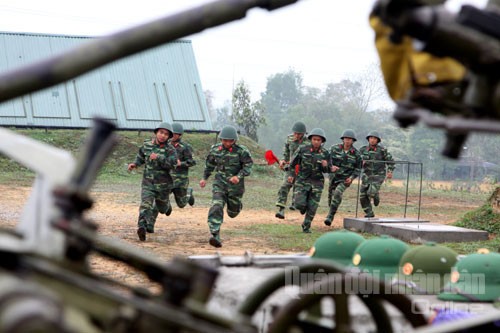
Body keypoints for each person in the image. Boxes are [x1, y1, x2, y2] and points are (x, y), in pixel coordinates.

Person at [199, 125, 253, 248]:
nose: (227, 143)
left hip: (235, 187)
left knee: (232, 213)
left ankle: (237, 205)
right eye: (225, 140)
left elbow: (248, 166)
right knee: (216, 206)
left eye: (230, 140)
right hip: (220, 184)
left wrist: (238, 176)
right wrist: (204, 178)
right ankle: (215, 234)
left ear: (235, 140)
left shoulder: (242, 151)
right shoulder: (215, 150)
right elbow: (209, 165)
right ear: (221, 139)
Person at [128, 122, 179, 242]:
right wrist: (134, 164)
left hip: (163, 185)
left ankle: (167, 206)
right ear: (156, 132)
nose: (163, 136)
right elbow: (141, 157)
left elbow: (173, 164)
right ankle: (142, 227)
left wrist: (159, 158)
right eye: (161, 132)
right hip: (148, 183)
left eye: (166, 134)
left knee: (162, 208)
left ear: (169, 136)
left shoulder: (170, 149)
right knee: (146, 205)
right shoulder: (146, 145)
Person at [288, 128, 330, 233]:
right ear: (311, 139)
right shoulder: (302, 149)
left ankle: (306, 226)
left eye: (319, 140)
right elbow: (293, 164)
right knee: (299, 204)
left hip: (317, 183)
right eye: (314, 139)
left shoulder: (325, 153)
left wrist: (326, 166)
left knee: (313, 207)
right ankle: (302, 207)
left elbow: (329, 169)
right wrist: (291, 175)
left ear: (322, 141)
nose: (316, 142)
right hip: (302, 180)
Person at [325, 129, 362, 226]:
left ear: (353, 141)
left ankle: (330, 216)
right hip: (333, 177)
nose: (347, 141)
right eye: (346, 138)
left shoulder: (356, 154)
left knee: (338, 193)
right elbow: (326, 159)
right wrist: (330, 167)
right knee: (331, 198)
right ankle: (331, 211)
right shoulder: (334, 149)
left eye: (350, 139)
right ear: (343, 139)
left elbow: (358, 169)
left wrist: (352, 178)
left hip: (345, 179)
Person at [275, 121, 307, 219]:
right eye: (295, 133)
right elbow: (286, 152)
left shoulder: (309, 142)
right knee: (285, 186)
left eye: (299, 134)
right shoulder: (289, 139)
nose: (296, 135)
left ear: (303, 134)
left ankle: (302, 205)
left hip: (303, 169)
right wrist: (283, 161)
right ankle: (281, 210)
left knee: (299, 189)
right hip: (291, 167)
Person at [359, 130, 395, 218]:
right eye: (371, 138)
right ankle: (369, 212)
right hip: (366, 176)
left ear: (377, 140)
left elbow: (390, 161)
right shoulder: (363, 149)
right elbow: (356, 161)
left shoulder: (382, 150)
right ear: (368, 139)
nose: (372, 140)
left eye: (374, 138)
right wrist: (360, 163)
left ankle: (375, 194)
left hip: (378, 176)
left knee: (370, 192)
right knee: (362, 196)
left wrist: (390, 171)